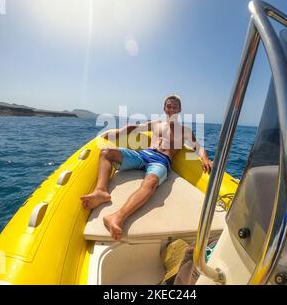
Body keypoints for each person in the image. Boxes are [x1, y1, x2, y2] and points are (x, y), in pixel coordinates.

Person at [80, 94, 213, 240]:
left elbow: (198, 147)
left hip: (161, 161)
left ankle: (117, 217)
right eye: (169, 106)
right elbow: (135, 128)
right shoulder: (156, 123)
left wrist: (205, 159)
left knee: (150, 183)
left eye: (175, 107)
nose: (171, 109)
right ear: (164, 108)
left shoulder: (185, 130)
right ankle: (101, 192)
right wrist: (117, 133)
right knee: (106, 153)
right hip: (144, 154)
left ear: (179, 109)